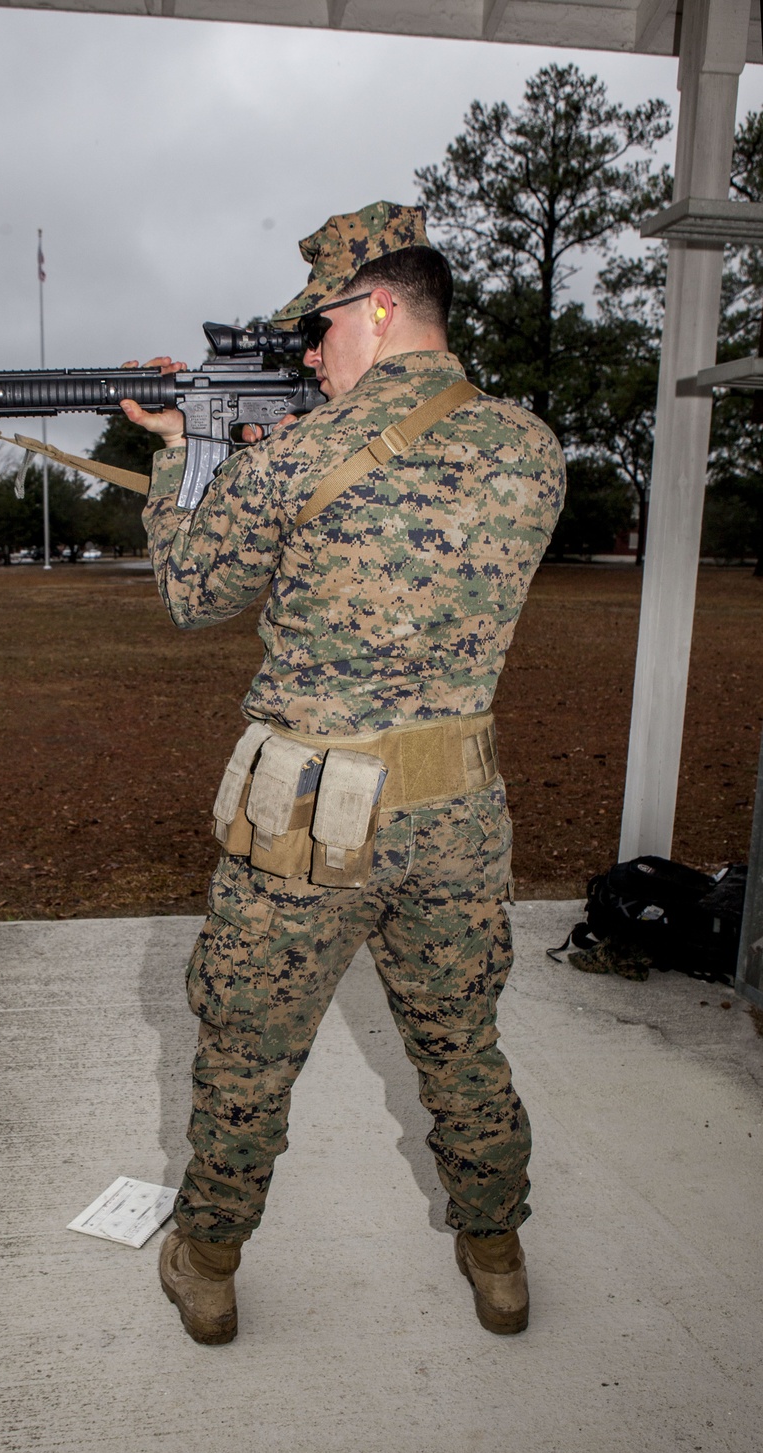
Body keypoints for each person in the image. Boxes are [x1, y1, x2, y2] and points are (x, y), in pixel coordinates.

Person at [121, 201, 565, 1346]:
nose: (308, 356)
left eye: (316, 331)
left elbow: (191, 592)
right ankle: (497, 1256)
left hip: (309, 821)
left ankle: (208, 1266)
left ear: (375, 308)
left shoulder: (303, 456)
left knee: (246, 1053)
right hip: (457, 812)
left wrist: (180, 455)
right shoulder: (531, 447)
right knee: (460, 1041)